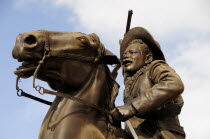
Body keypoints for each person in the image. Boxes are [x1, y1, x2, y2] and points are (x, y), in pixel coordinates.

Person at [111, 27, 185, 139]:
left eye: (132, 52)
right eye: (125, 54)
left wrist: (132, 107)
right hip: (136, 134)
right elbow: (125, 72)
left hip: (160, 133)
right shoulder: (130, 82)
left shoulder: (155, 68)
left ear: (148, 58)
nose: (126, 56)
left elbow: (174, 84)